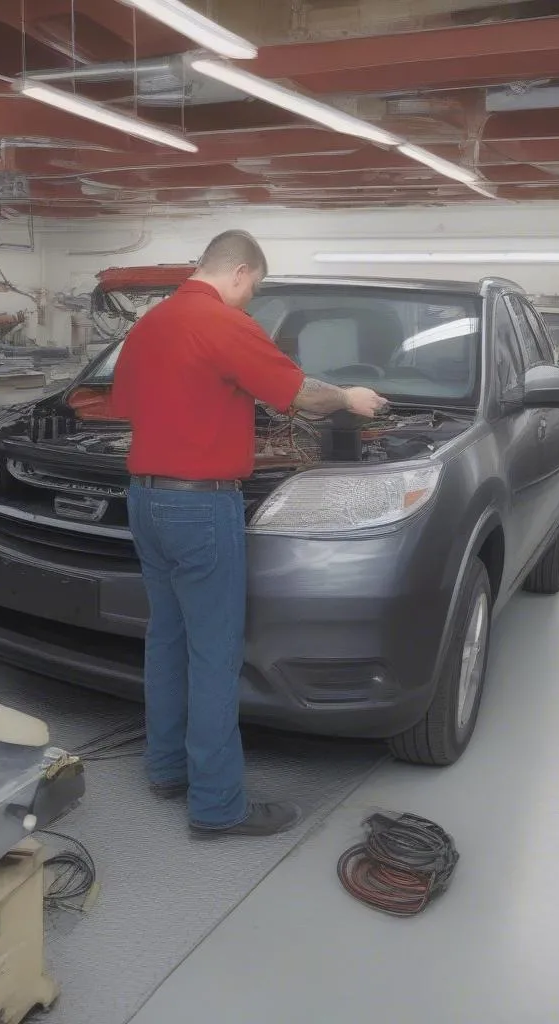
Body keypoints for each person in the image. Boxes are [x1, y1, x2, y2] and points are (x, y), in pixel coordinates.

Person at [111, 230, 386, 837]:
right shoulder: (221, 322)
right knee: (214, 657)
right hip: (200, 509)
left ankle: (166, 769)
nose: (250, 299)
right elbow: (301, 397)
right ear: (238, 272)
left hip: (146, 502)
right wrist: (351, 396)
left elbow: (144, 401)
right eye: (253, 289)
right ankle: (216, 806)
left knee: (167, 641)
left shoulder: (151, 323)